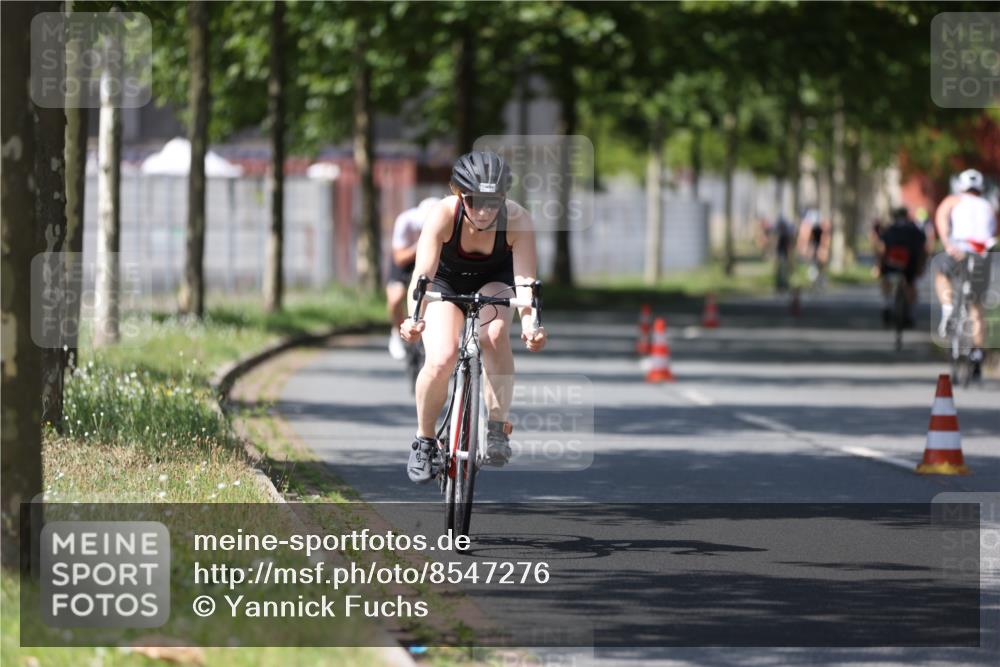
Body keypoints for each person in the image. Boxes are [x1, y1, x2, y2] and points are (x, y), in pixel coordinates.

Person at [399, 151, 547, 483]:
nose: (483, 210)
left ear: (504, 197)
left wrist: (530, 325)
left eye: (492, 202)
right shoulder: (441, 215)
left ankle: (496, 427)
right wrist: (413, 317)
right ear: (458, 194)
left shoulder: (518, 220)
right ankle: (424, 441)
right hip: (444, 284)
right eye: (473, 200)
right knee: (441, 358)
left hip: (495, 283)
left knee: (493, 336)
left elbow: (524, 282)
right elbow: (422, 275)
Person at [932, 168, 997, 375]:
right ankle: (977, 352)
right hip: (982, 255)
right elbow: (994, 231)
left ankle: (948, 307)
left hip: (959, 250)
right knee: (977, 306)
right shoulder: (989, 205)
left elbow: (941, 217)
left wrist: (947, 242)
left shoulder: (954, 200)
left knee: (942, 275)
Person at [386, 197, 440, 360]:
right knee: (395, 298)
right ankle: (397, 332)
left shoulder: (446, 221)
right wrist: (422, 244)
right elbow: (399, 258)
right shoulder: (405, 221)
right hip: (407, 257)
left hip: (434, 258)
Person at [875, 207, 927, 327]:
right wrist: (921, 266)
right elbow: (922, 250)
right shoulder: (915, 229)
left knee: (886, 280)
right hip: (911, 262)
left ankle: (886, 305)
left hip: (891, 261)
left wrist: (878, 266)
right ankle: (911, 313)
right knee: (911, 284)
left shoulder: (889, 229)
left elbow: (881, 248)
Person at [797, 208, 831, 289]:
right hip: (814, 247)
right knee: (814, 265)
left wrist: (824, 248)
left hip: (818, 248)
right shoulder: (809, 226)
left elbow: (824, 238)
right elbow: (806, 237)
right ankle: (815, 281)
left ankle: (821, 280)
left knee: (820, 265)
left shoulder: (821, 228)